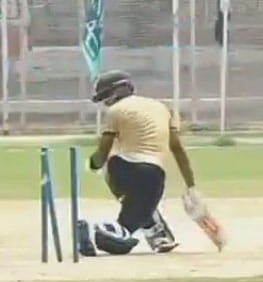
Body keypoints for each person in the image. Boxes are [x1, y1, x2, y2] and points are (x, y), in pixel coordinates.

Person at [77, 70, 224, 256]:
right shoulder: (163, 108)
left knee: (130, 209)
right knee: (134, 213)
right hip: (154, 174)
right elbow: (177, 149)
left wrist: (92, 165)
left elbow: (102, 154)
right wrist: (191, 186)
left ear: (116, 93)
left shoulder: (115, 111)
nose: (106, 103)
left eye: (106, 98)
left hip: (121, 169)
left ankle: (133, 229)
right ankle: (149, 230)